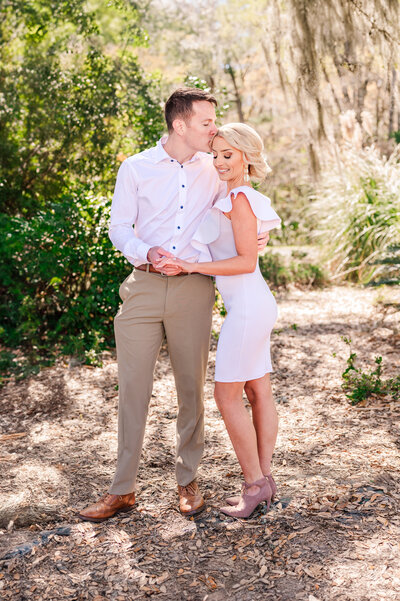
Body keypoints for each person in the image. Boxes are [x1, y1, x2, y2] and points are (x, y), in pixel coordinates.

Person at [77, 88, 268, 522]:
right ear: (180, 125)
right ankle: (122, 488)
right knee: (133, 389)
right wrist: (148, 252)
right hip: (142, 287)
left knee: (190, 390)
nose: (214, 130)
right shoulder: (136, 167)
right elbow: (118, 226)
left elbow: (245, 206)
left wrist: (260, 235)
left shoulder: (216, 166)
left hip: (193, 290)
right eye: (206, 122)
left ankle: (188, 480)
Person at [161, 123, 281, 518]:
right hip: (253, 304)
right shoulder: (232, 196)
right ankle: (264, 480)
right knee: (257, 392)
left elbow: (246, 261)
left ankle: (253, 486)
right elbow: (248, 247)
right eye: (215, 155)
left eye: (228, 155)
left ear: (247, 156)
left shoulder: (241, 199)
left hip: (248, 308)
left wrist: (194, 266)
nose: (219, 162)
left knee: (225, 396)